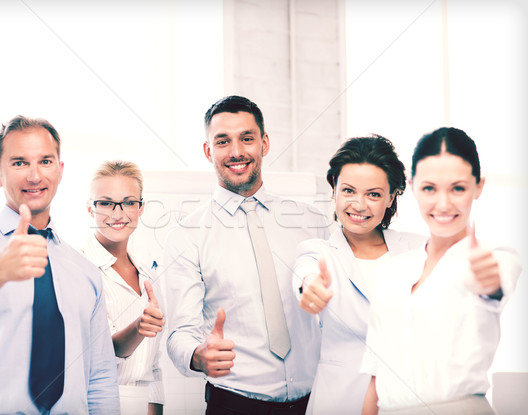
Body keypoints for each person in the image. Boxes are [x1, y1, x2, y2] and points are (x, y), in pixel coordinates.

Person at [0, 116, 120, 414]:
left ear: (60, 170)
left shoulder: (85, 271)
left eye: (45, 161)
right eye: (19, 163)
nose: (35, 176)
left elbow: (99, 377)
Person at [164, 95, 330, 415]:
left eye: (247, 138)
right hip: (234, 404)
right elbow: (179, 335)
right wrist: (198, 355)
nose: (237, 151)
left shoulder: (313, 222)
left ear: (264, 143)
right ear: (208, 150)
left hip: (317, 402)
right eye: (223, 141)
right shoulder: (187, 235)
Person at [360, 127, 522, 415]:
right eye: (430, 188)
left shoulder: (495, 258)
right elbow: (376, 375)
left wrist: (490, 282)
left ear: (479, 187)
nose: (444, 203)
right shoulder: (391, 271)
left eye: (458, 188)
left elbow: (496, 284)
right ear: (412, 187)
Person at [293, 135, 426, 414]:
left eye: (374, 194)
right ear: (334, 191)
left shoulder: (419, 250)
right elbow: (306, 275)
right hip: (339, 400)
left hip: (404, 400)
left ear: (391, 198)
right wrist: (310, 289)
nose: (359, 204)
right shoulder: (318, 252)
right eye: (349, 191)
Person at [81, 160, 165, 415]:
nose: (118, 214)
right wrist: (139, 328)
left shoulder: (148, 274)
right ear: (90, 208)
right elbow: (101, 349)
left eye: (129, 202)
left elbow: (153, 364)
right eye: (105, 203)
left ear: (140, 208)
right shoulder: (79, 269)